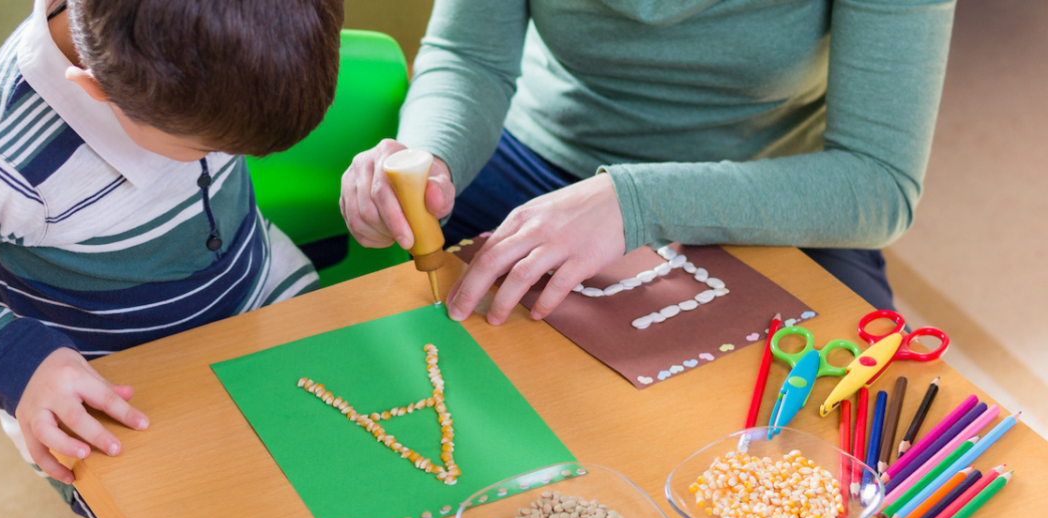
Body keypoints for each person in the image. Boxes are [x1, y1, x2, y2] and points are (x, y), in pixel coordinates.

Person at [0, 0, 341, 518]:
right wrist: (15, 361)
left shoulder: (198, 61)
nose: (222, 158)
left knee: (345, 447)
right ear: (95, 90)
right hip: (112, 393)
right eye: (204, 147)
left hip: (260, 292)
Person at [340, 0, 955, 324]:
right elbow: (468, 55)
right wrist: (427, 156)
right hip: (535, 162)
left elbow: (878, 181)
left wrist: (634, 203)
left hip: (769, 195)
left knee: (858, 454)